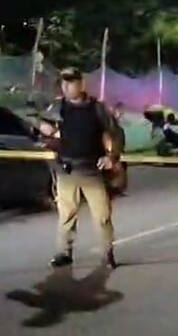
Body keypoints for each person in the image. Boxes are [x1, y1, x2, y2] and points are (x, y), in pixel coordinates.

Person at [39, 68, 122, 269]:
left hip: (91, 170)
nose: (66, 87)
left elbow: (116, 133)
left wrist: (111, 156)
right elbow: (40, 124)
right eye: (63, 83)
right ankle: (64, 252)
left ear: (81, 84)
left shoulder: (97, 108)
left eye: (70, 82)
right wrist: (43, 128)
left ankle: (107, 253)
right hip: (66, 169)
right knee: (66, 215)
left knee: (102, 215)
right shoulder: (58, 107)